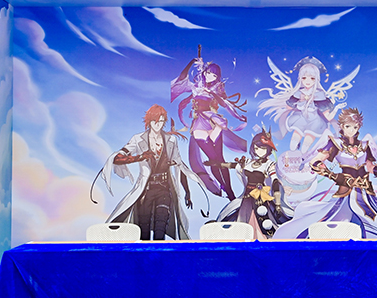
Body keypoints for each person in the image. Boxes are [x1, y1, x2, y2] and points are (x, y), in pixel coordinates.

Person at [272, 108, 377, 240]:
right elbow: (315, 162)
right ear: (342, 126)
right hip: (346, 193)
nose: (351, 130)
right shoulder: (335, 144)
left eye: (355, 127)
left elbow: (370, 167)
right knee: (339, 222)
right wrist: (334, 176)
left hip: (366, 193)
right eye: (348, 126)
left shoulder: (364, 145)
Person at [99, 105, 204, 241]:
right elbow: (118, 158)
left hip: (165, 188)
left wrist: (187, 192)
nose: (158, 125)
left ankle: (160, 254)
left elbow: (180, 165)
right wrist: (139, 157)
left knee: (161, 227)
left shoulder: (171, 140)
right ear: (149, 121)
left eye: (161, 121)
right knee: (144, 230)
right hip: (145, 190)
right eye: (155, 121)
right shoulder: (138, 139)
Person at [171, 48, 247, 200]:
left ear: (217, 77)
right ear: (204, 72)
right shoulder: (196, 86)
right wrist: (191, 62)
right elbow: (182, 79)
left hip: (213, 122)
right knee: (213, 159)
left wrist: (237, 116)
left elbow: (224, 104)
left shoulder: (216, 89)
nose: (210, 76)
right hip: (199, 124)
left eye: (214, 75)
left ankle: (230, 192)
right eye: (208, 73)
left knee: (219, 158)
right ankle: (227, 191)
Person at [256, 56, 358, 153]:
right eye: (304, 78)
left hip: (315, 122)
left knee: (305, 148)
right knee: (292, 146)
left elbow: (327, 116)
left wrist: (336, 109)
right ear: (300, 78)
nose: (308, 81)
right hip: (300, 119)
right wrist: (297, 103)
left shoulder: (320, 95)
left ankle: (304, 159)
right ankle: (294, 157)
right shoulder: (298, 93)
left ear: (316, 79)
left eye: (312, 78)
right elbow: (289, 107)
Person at [212, 129, 289, 239]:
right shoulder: (249, 162)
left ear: (268, 149)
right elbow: (232, 165)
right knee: (243, 221)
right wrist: (217, 164)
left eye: (262, 148)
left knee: (263, 223)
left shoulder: (269, 164)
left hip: (260, 198)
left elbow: (275, 182)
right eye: (256, 148)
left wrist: (277, 203)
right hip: (247, 198)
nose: (259, 151)